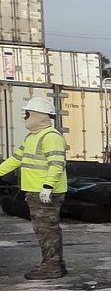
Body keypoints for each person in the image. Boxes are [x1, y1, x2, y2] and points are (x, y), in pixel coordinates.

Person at [0, 95, 68, 279]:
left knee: (47, 230)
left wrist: (47, 186)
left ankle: (52, 267)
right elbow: (16, 159)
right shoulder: (32, 137)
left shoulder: (51, 137)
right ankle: (54, 264)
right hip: (36, 191)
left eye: (28, 114)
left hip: (46, 193)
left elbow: (56, 164)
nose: (25, 118)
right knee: (45, 230)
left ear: (38, 115)